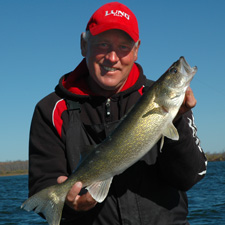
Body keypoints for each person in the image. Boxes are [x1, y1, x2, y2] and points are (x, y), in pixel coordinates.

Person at [28, 2, 207, 225]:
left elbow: (190, 177)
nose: (112, 57)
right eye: (103, 44)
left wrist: (178, 120)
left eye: (123, 46)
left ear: (136, 50)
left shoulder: (167, 101)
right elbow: (43, 184)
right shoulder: (51, 110)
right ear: (84, 45)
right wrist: (68, 205)